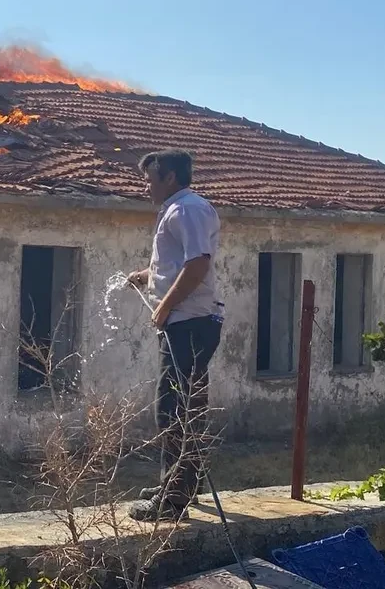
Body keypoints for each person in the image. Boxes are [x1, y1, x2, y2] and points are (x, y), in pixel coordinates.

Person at [126, 149, 224, 522]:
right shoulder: (179, 210)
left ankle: (172, 501)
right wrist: (148, 276)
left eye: (151, 178)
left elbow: (198, 264)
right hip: (185, 321)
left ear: (170, 178)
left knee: (175, 409)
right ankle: (180, 483)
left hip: (188, 324)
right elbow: (180, 266)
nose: (146, 186)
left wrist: (164, 307)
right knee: (182, 405)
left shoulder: (187, 209)